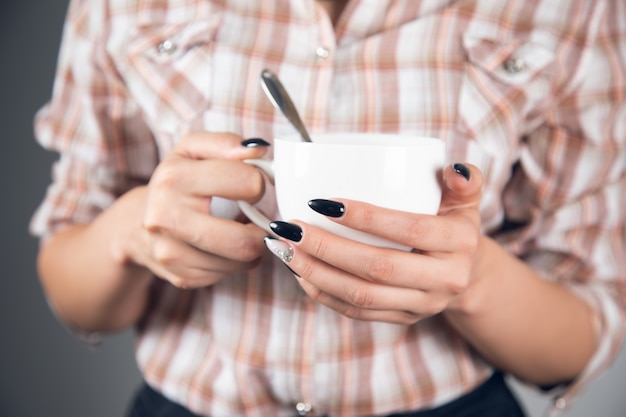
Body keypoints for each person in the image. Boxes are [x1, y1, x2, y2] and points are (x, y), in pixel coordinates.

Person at [30, 0, 626, 416]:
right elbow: (72, 282)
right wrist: (134, 231)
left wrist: (473, 280)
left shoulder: (568, 8)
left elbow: (584, 330)